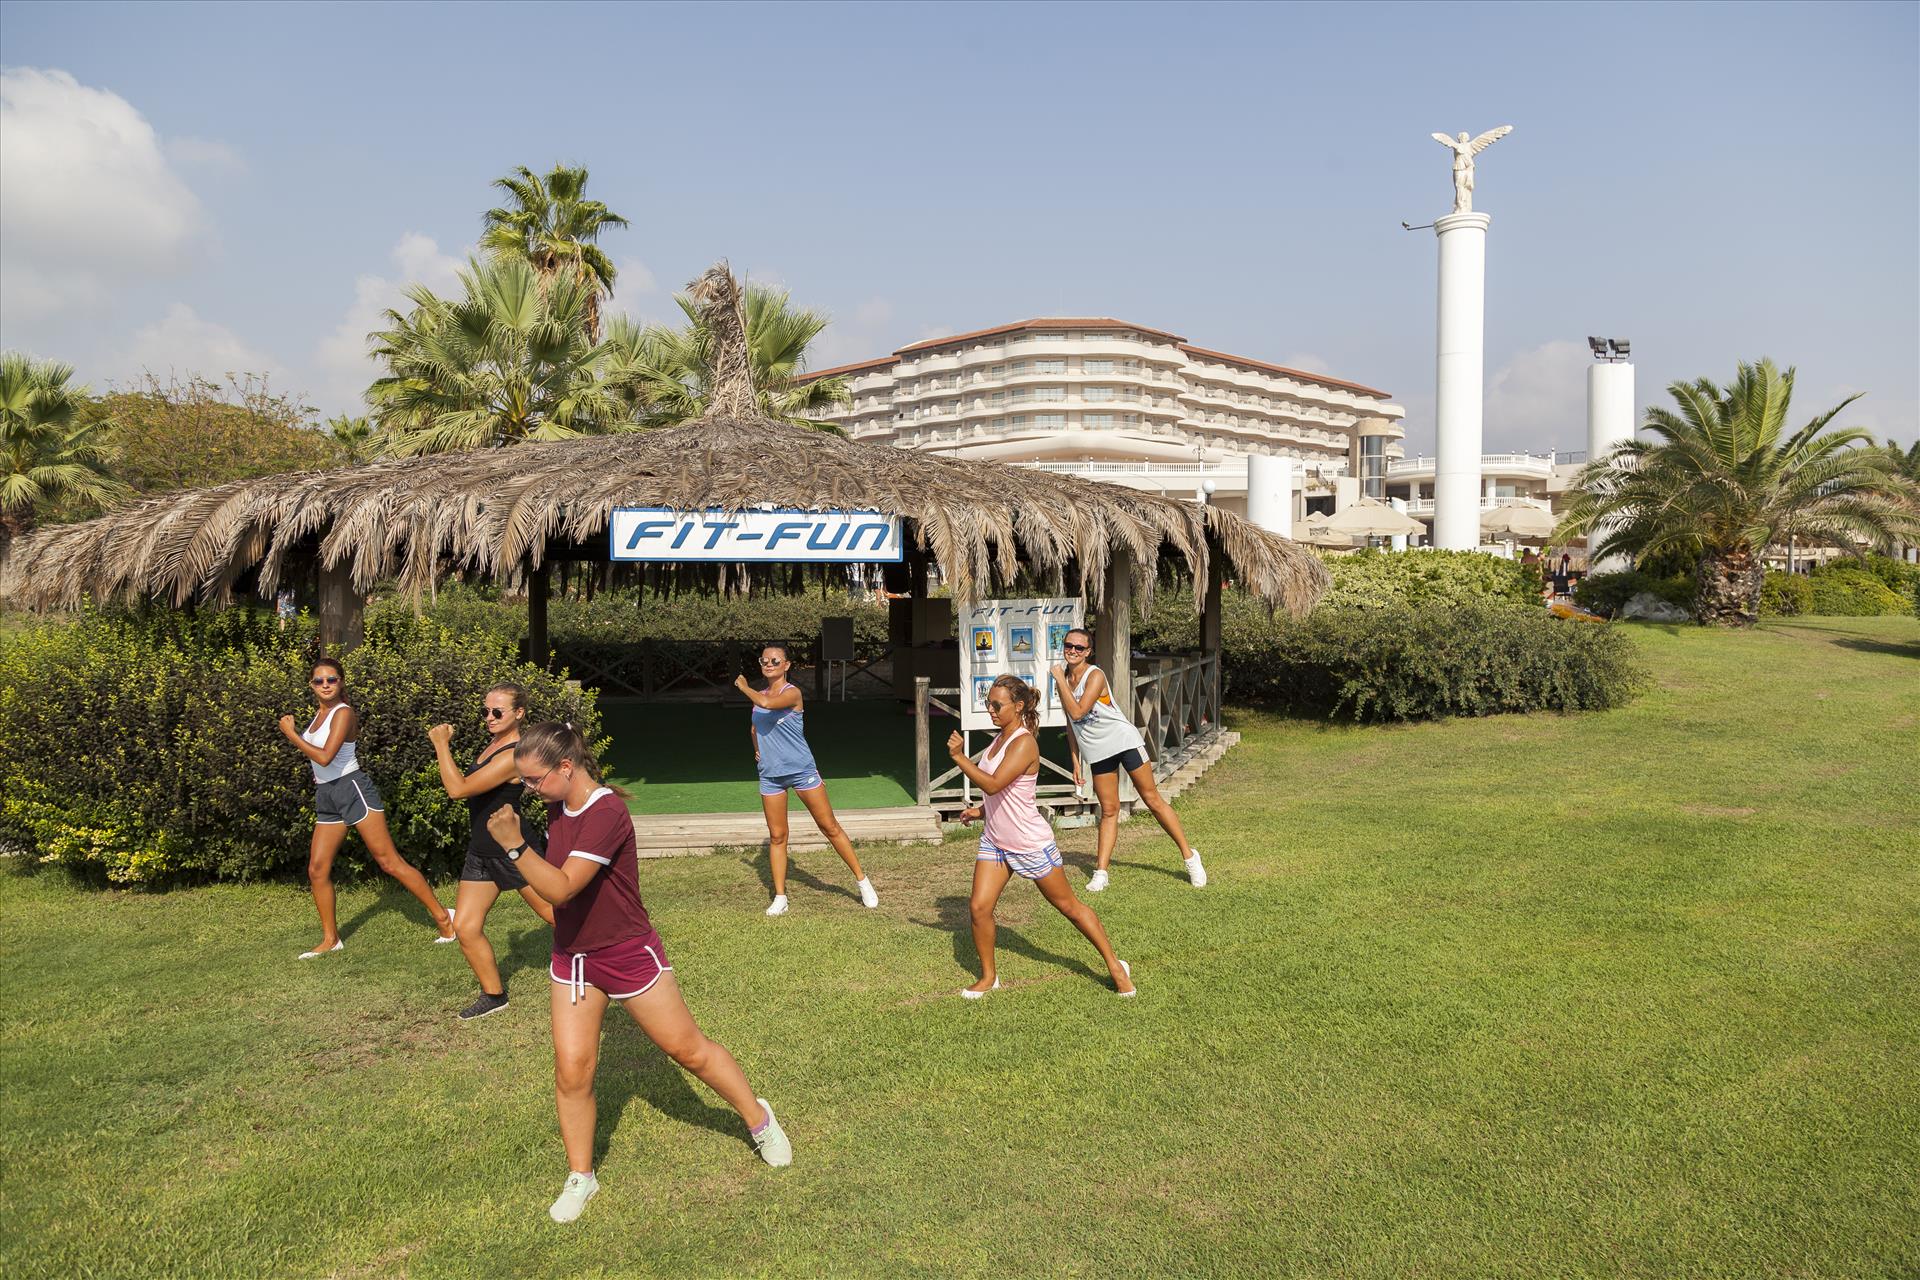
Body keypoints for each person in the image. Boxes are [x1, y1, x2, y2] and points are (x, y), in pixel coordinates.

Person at [486, 721, 791, 1223]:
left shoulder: (607, 812)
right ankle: (581, 1175)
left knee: (687, 1051)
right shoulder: (558, 805)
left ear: (566, 767)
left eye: (535, 779)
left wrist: (515, 846)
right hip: (574, 960)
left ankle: (759, 1120)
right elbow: (556, 895)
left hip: (628, 954)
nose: (529, 788)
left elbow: (561, 888)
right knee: (572, 1070)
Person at [947, 674, 1135, 999]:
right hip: (996, 840)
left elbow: (993, 783)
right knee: (979, 908)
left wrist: (960, 757)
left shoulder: (1024, 743)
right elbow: (1002, 793)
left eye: (997, 705)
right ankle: (989, 977)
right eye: (989, 704)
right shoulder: (999, 739)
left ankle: (1115, 966)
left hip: (1029, 843)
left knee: (1069, 907)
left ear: (1018, 706)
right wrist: (980, 811)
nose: (990, 710)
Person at [279, 656, 454, 958]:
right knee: (317, 869)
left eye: (331, 679)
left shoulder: (343, 713)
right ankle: (331, 939)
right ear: (311, 684)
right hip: (327, 794)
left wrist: (292, 735)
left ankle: (445, 920)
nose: (325, 685)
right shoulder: (319, 714)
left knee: (389, 862)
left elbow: (325, 757)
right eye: (319, 680)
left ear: (341, 682)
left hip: (352, 789)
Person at [427, 682, 558, 1021]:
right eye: (485, 711)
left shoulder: (514, 754)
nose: (489, 717)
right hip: (483, 850)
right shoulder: (493, 745)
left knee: (555, 915)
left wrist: (441, 744)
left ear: (519, 713)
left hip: (514, 848)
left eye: (497, 712)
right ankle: (494, 995)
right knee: (466, 926)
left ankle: (614, 957)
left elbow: (458, 789)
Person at [1050, 628, 1205, 893]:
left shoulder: (1094, 675)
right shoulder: (1063, 680)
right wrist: (1076, 760)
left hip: (1123, 742)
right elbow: (1070, 723)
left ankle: (1191, 858)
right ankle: (1101, 872)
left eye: (1079, 647)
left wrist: (1059, 681)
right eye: (1068, 645)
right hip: (1098, 751)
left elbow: (1078, 712)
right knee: (1109, 810)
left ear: (1088, 652)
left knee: (1152, 799)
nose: (1072, 651)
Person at [732, 643, 878, 916]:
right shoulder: (760, 695)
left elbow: (766, 704)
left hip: (801, 770)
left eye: (775, 661)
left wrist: (743, 687)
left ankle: (862, 880)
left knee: (829, 827)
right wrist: (757, 750)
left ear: (787, 665)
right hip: (770, 776)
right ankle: (780, 897)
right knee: (777, 836)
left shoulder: (792, 693)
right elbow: (754, 727)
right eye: (764, 660)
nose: (768, 664)